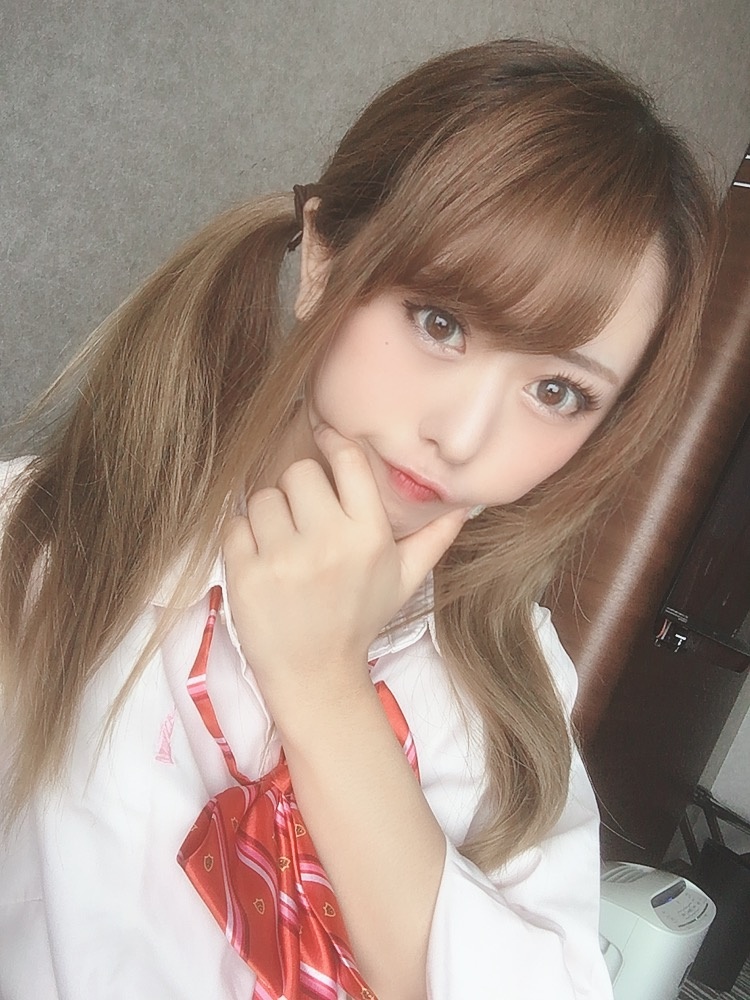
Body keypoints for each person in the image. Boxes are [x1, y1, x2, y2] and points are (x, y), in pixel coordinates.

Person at [0, 38, 718, 1000]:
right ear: (325, 260)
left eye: (557, 391)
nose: (461, 436)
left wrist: (324, 689)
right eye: (440, 322)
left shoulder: (512, 680)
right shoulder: (40, 545)